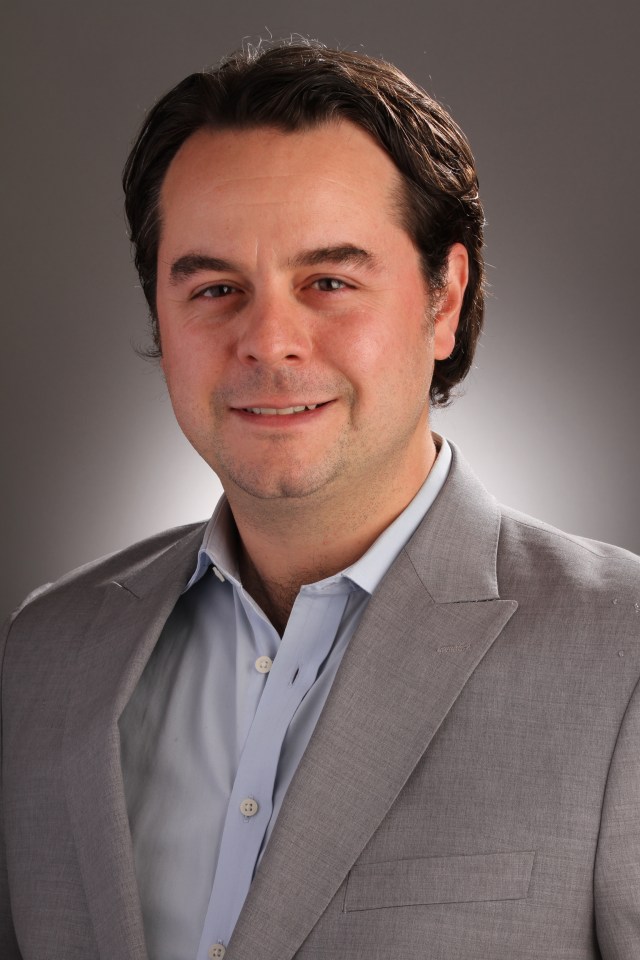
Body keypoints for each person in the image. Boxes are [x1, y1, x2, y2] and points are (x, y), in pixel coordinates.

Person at [1, 39, 639, 960]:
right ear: (160, 319)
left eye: (329, 282)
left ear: (443, 301)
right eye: (216, 287)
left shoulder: (621, 657)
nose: (269, 340)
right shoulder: (44, 655)